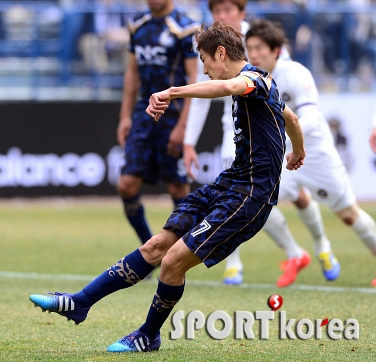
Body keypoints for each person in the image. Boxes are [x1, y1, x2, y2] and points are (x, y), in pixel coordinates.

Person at [29, 21, 305, 353]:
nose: (203, 70)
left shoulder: (253, 80)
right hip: (228, 184)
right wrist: (297, 151)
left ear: (221, 53)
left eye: (204, 61)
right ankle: (80, 302)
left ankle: (148, 335)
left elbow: (230, 88)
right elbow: (292, 119)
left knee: (173, 261)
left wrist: (172, 91)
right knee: (156, 246)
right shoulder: (264, 85)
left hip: (250, 197)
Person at [234, 18, 376, 286]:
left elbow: (308, 119)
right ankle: (296, 253)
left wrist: (287, 142)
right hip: (283, 157)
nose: (253, 54)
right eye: (249, 47)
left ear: (276, 50)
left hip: (315, 154)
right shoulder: (250, 78)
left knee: (348, 214)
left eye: (259, 48)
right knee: (254, 203)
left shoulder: (296, 73)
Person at [183, 0, 310, 288]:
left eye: (228, 10)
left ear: (241, 13)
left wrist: (172, 92)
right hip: (236, 128)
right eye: (217, 11)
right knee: (241, 195)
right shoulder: (212, 53)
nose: (222, 15)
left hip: (262, 128)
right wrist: (189, 141)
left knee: (261, 196)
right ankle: (236, 263)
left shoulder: (258, 45)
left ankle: (311, 249)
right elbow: (211, 94)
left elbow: (266, 84)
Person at [116, 0, 198, 247]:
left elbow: (194, 80)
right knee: (126, 185)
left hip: (173, 114)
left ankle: (183, 252)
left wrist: (184, 126)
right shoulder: (137, 25)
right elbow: (132, 72)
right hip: (144, 113)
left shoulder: (185, 28)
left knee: (176, 188)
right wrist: (125, 116)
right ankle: (149, 249)